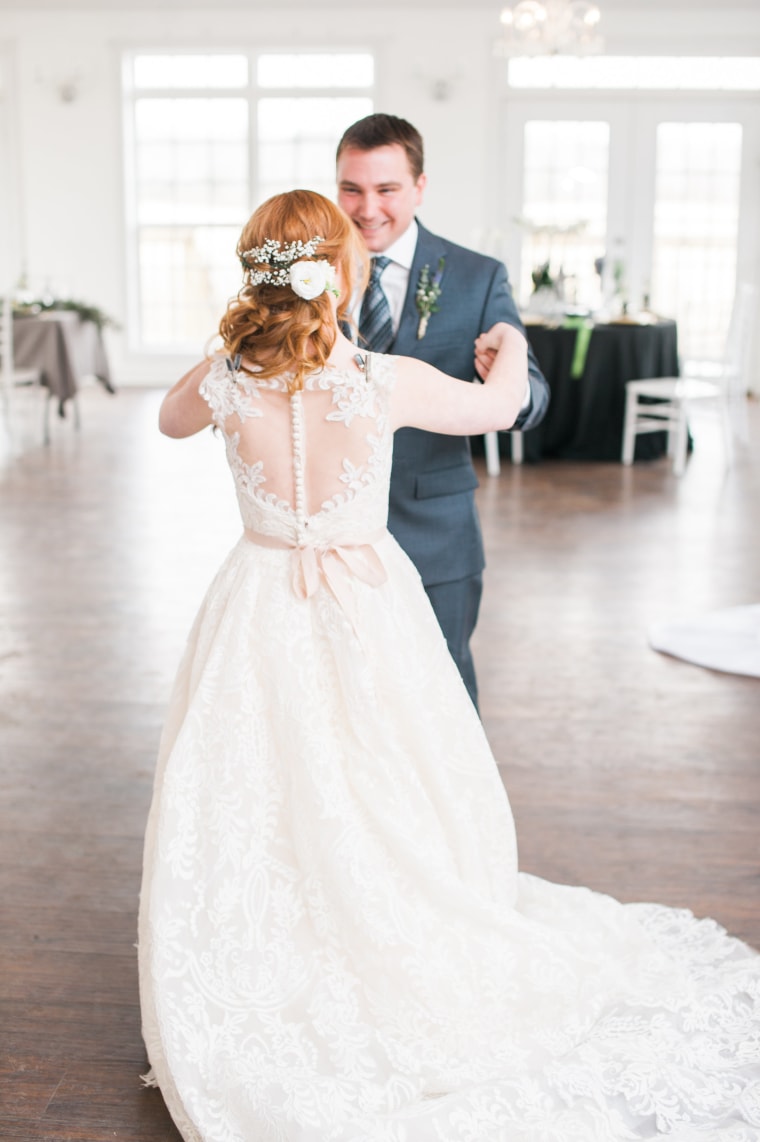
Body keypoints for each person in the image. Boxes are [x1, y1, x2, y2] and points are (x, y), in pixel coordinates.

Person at [139, 189, 760, 1142]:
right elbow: (502, 408)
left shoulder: (226, 382)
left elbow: (169, 423)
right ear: (340, 275)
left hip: (259, 602)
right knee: (388, 771)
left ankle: (271, 944)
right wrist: (508, 345)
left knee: (254, 780)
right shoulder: (381, 380)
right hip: (365, 600)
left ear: (257, 278)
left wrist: (240, 341)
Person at [336, 113, 550, 708]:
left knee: (445, 699)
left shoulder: (477, 277)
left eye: (387, 190)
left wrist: (506, 372)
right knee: (342, 702)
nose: (367, 208)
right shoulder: (309, 276)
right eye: (351, 188)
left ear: (420, 187)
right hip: (327, 542)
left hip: (435, 532)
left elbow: (532, 394)